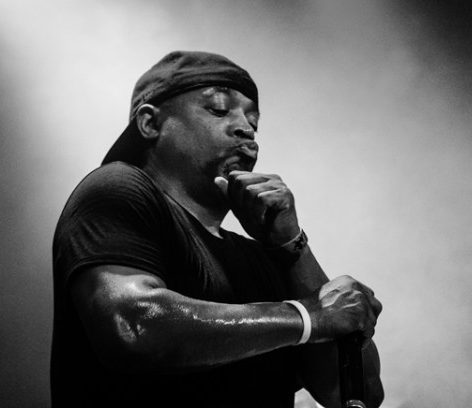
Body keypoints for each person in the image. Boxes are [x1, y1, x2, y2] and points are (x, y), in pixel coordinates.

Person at [51, 50, 384, 407]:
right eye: (219, 109)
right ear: (150, 123)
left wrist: (290, 246)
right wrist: (308, 316)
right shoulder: (118, 187)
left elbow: (355, 394)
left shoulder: (259, 258)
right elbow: (133, 326)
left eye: (253, 121)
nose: (245, 128)